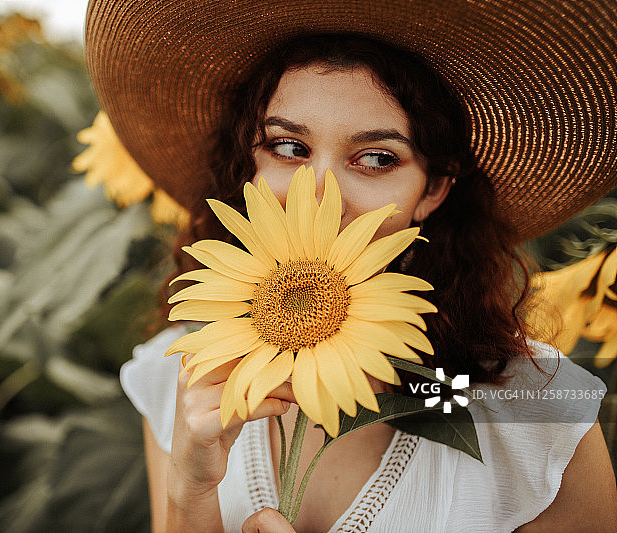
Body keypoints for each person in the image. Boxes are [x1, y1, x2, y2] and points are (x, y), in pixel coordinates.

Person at [84, 1, 617, 531]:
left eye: (377, 158)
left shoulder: (533, 416)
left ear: (432, 190)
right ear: (249, 163)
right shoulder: (184, 375)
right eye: (288, 146)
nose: (319, 194)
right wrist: (190, 491)